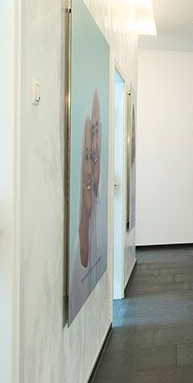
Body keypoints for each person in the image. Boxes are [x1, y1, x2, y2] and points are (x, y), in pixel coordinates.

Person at [69, 90, 106, 318]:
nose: (91, 169)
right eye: (86, 157)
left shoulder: (101, 221)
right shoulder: (74, 265)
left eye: (95, 157)